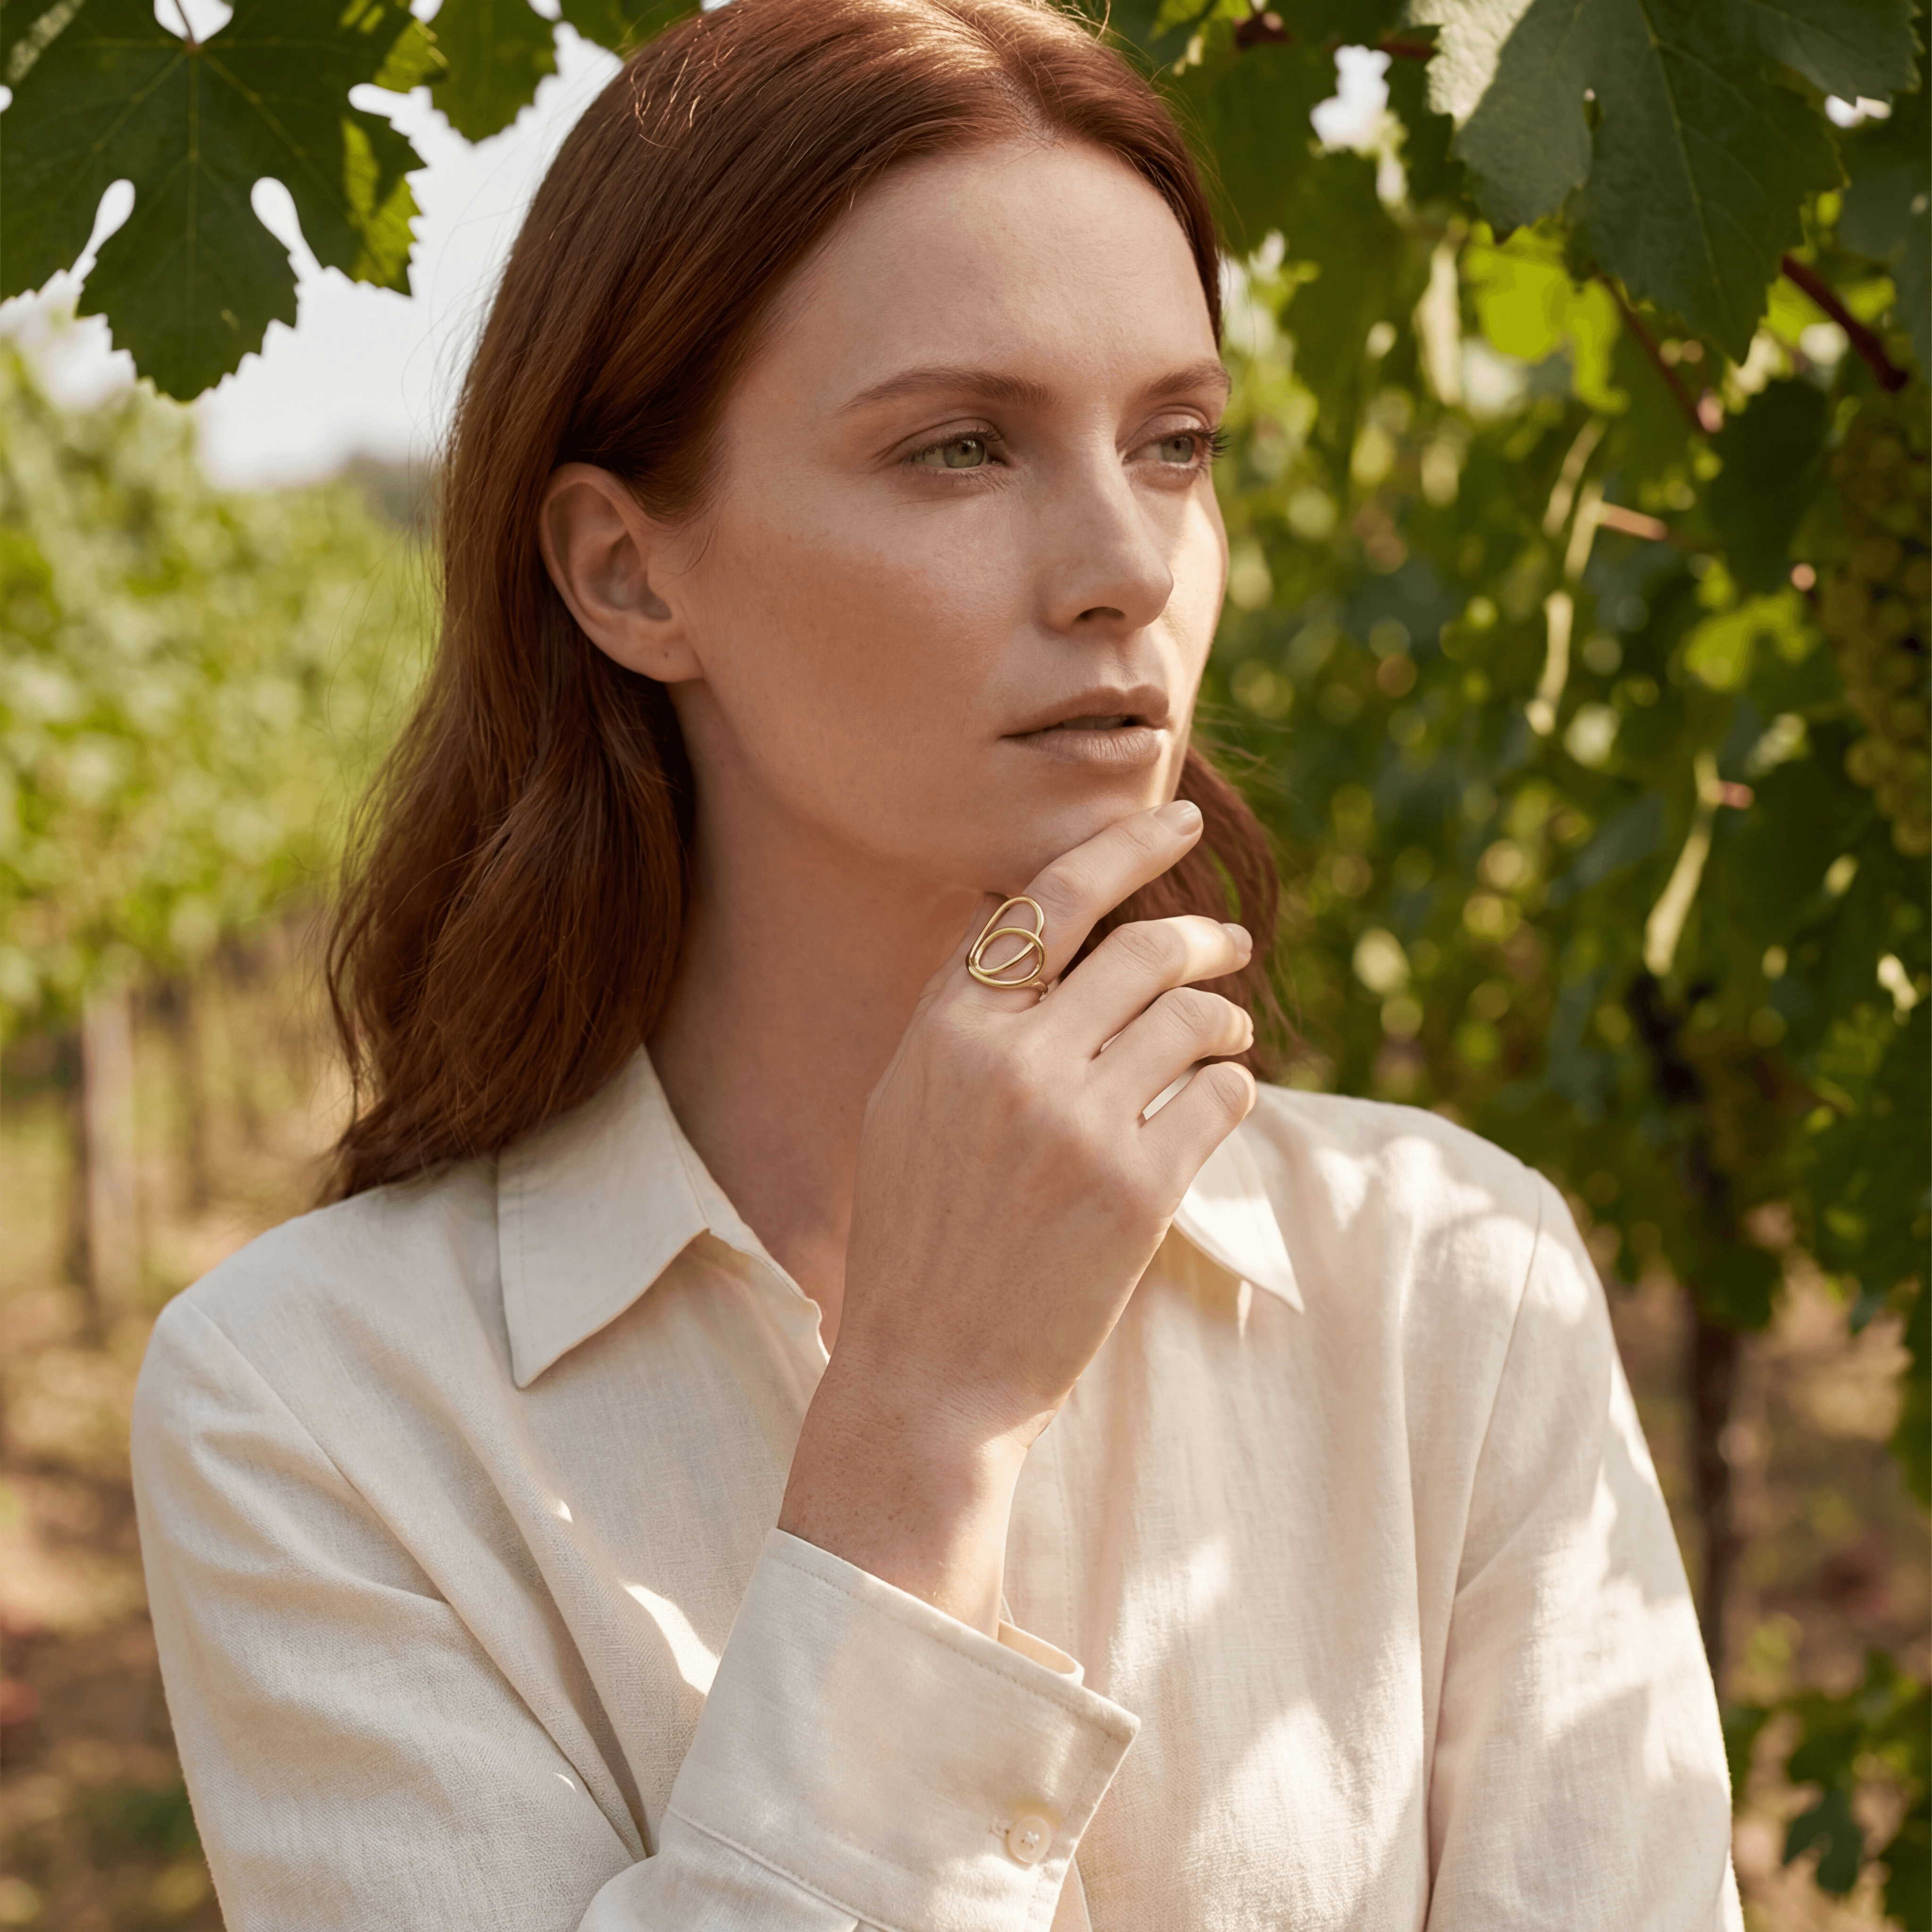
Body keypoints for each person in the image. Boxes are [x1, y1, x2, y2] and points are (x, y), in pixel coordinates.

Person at [130, 1, 1744, 1926]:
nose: (1125, 563)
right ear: (627, 572)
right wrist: (919, 1432)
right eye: (960, 447)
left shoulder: (1455, 1285)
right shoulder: (309, 1408)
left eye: (1177, 441)